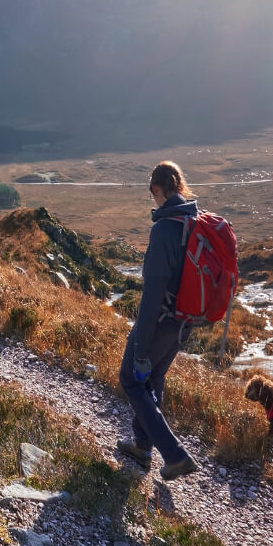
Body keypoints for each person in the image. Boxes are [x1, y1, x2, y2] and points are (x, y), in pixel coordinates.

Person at [117, 161, 200, 481]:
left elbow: (152, 295)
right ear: (179, 185)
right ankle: (142, 446)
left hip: (162, 321)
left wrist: (140, 346)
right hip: (185, 323)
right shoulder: (194, 219)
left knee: (131, 379)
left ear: (156, 188)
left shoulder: (164, 228)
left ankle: (174, 454)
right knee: (153, 380)